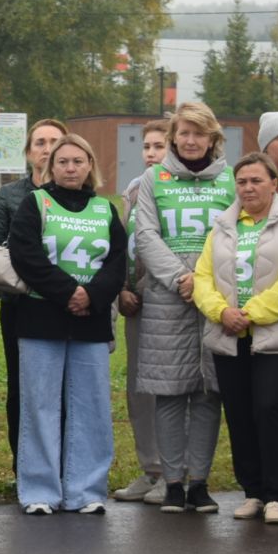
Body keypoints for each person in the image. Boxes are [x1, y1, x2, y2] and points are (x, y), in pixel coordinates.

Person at [194, 152, 278, 525]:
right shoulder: (221, 228)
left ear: (274, 183)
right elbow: (202, 278)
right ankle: (252, 492)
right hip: (230, 336)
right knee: (240, 413)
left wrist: (252, 314)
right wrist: (221, 312)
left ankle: (276, 494)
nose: (248, 187)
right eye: (242, 181)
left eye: (256, 180)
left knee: (269, 409)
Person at [7, 135, 127, 515]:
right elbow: (25, 255)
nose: (71, 168)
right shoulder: (34, 203)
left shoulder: (105, 210)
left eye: (78, 161)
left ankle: (86, 491)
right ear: (50, 167)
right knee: (40, 406)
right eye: (63, 162)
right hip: (41, 317)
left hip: (89, 322)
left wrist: (90, 296)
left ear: (90, 165)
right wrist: (68, 293)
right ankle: (40, 491)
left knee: (91, 406)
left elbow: (117, 263)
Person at [130, 103, 233, 514]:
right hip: (166, 297)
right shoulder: (154, 179)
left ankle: (200, 482)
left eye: (199, 133)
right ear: (173, 137)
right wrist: (180, 277)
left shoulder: (229, 180)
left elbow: (239, 232)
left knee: (209, 392)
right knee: (170, 394)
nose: (190, 141)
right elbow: (146, 235)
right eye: (183, 133)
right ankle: (173, 483)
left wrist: (206, 280)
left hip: (218, 296)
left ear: (212, 138)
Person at [0, 117, 67, 471]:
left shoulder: (80, 198)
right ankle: (26, 467)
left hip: (67, 307)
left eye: (54, 142)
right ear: (28, 151)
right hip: (21, 307)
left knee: (64, 390)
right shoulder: (9, 196)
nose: (47, 149)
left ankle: (64, 464)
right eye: (40, 142)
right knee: (22, 389)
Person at [114, 120, 172, 503]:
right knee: (139, 388)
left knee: (171, 387)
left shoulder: (181, 189)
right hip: (137, 296)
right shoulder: (134, 190)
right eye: (147, 146)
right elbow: (122, 242)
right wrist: (122, 287)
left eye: (159, 146)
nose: (151, 152)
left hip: (170, 296)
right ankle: (150, 468)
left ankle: (175, 471)